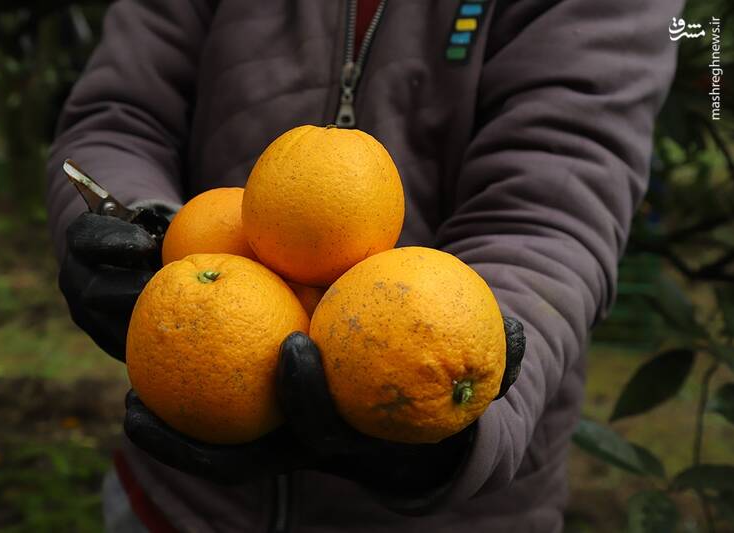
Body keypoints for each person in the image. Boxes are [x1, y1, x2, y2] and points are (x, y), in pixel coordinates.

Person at [46, 0, 681, 531]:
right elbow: (120, 112)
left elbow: (553, 206)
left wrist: (463, 425)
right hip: (182, 499)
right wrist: (131, 224)